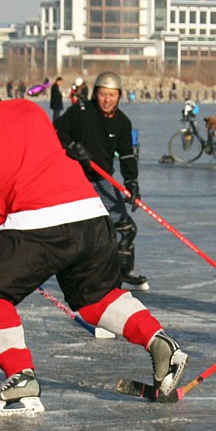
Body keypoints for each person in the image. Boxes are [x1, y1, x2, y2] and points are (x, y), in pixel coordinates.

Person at [0, 62, 188, 416]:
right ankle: (159, 342)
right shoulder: (29, 109)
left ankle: (21, 381)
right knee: (97, 299)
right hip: (90, 214)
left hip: (38, 223)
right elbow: (22, 172)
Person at [55, 71, 148, 290]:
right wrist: (72, 147)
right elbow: (56, 130)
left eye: (112, 95)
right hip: (75, 180)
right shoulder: (81, 112)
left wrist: (132, 182)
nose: (107, 100)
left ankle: (123, 270)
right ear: (96, 94)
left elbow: (126, 155)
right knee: (84, 232)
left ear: (119, 96)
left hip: (102, 179)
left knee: (126, 229)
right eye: (103, 94)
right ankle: (80, 273)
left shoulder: (122, 122)